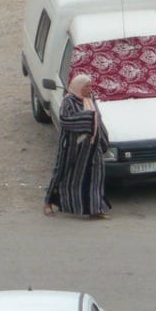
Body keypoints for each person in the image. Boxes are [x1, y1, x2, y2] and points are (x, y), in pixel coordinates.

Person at [44, 73, 111, 219]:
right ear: (79, 87)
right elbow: (65, 121)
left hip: (92, 147)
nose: (89, 88)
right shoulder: (68, 101)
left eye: (90, 85)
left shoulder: (90, 99)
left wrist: (104, 138)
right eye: (87, 86)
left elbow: (98, 118)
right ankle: (49, 202)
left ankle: (94, 208)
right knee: (62, 173)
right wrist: (87, 119)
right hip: (72, 147)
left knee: (95, 176)